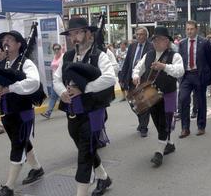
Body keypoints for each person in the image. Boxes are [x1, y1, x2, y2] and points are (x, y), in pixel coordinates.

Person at [54, 17, 115, 196]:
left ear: (88, 34)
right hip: (73, 110)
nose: (74, 37)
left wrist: (84, 89)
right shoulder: (68, 55)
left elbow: (110, 78)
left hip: (94, 111)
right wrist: (62, 93)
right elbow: (57, 79)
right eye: (72, 34)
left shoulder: (100, 55)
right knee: (84, 148)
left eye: (78, 32)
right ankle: (103, 177)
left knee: (84, 153)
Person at [0, 30, 44, 196]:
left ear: (19, 44)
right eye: (4, 40)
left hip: (23, 113)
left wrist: (10, 88)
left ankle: (9, 187)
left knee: (17, 146)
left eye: (10, 39)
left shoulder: (26, 63)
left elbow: (34, 83)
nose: (6, 42)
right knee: (21, 142)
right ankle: (37, 168)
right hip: (5, 112)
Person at [132, 26, 184, 167]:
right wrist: (136, 76)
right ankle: (170, 143)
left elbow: (180, 71)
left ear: (167, 41)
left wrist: (164, 67)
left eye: (160, 40)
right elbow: (138, 68)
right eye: (154, 40)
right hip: (151, 95)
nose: (156, 42)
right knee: (156, 120)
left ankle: (159, 152)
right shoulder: (148, 55)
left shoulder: (175, 55)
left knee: (165, 121)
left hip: (168, 93)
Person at [178, 20, 211, 139]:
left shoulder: (204, 42)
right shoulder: (182, 43)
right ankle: (185, 128)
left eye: (191, 29)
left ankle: (201, 126)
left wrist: (209, 77)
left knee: (201, 101)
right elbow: (180, 60)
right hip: (186, 76)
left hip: (199, 75)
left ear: (196, 29)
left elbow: (210, 60)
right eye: (187, 29)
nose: (189, 31)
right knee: (183, 100)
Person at [120, 26, 153, 137]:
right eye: (137, 34)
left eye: (141, 34)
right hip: (131, 79)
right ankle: (141, 121)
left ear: (146, 35)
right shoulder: (132, 46)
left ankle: (144, 127)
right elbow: (127, 63)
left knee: (143, 103)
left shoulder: (150, 47)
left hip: (144, 79)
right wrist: (122, 78)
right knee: (133, 103)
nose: (139, 36)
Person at [41, 43, 63, 119]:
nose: (56, 50)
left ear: (61, 49)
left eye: (58, 49)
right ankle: (48, 113)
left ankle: (73, 109)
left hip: (61, 81)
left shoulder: (63, 57)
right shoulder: (54, 57)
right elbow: (52, 69)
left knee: (64, 96)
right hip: (54, 80)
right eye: (55, 49)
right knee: (53, 97)